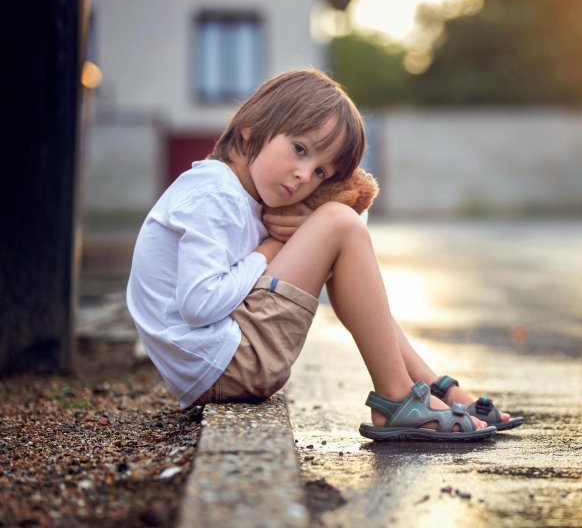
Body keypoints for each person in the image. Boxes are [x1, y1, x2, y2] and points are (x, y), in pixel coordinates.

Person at [127, 69, 517, 442]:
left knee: (340, 226)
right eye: (299, 150)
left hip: (222, 362)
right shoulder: (214, 195)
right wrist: (270, 249)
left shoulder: (248, 193)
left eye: (319, 173)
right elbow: (198, 304)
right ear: (251, 129)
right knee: (339, 224)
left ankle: (427, 385)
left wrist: (309, 226)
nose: (303, 175)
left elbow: (352, 231)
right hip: (225, 365)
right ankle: (398, 397)